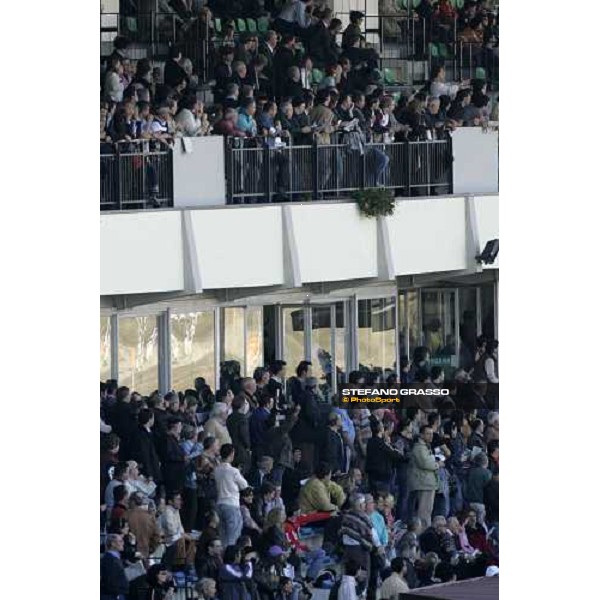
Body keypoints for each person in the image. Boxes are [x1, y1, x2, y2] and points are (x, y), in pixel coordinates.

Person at [214, 443, 249, 546]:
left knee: (223, 537)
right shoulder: (233, 471)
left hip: (220, 504)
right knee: (233, 537)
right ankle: (231, 559)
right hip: (231, 505)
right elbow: (244, 485)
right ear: (232, 454)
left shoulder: (217, 470)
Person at [407, 426, 440, 527]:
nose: (431, 436)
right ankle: (423, 534)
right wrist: (437, 464)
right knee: (424, 512)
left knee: (427, 511)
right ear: (421, 435)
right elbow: (425, 463)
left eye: (432, 434)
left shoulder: (425, 447)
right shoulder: (419, 447)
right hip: (424, 483)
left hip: (427, 483)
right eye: (428, 434)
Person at [340, 493, 375, 581]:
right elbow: (369, 534)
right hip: (360, 550)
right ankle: (360, 592)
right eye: (363, 503)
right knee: (362, 575)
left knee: (348, 575)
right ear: (359, 505)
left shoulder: (346, 516)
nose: (364, 505)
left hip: (347, 549)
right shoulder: (364, 517)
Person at [160, 490, 196, 571]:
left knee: (192, 540)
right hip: (166, 540)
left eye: (180, 499)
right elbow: (171, 531)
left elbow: (180, 528)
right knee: (183, 540)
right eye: (178, 499)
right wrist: (182, 535)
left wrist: (183, 534)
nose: (180, 502)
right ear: (170, 501)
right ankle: (179, 566)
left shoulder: (176, 510)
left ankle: (187, 566)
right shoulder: (167, 511)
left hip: (174, 537)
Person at [365, 419, 403, 494]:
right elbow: (394, 454)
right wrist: (389, 444)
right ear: (380, 429)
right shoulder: (382, 443)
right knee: (383, 498)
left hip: (372, 474)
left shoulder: (370, 441)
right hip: (382, 475)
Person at [126, 492, 161, 560]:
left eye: (129, 500)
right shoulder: (150, 516)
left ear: (133, 501)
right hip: (145, 552)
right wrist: (151, 549)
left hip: (129, 553)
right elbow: (157, 536)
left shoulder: (126, 515)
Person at [227, 394, 252, 475]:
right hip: (241, 450)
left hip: (231, 447)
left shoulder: (229, 417)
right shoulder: (242, 418)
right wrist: (248, 446)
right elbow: (244, 436)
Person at [464, 452, 492, 524]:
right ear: (486, 462)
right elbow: (490, 488)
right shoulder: (487, 473)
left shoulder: (470, 471)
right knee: (480, 526)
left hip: (468, 502)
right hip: (480, 502)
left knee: (470, 525)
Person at [101, 533, 130, 600]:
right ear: (113, 544)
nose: (123, 543)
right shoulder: (109, 559)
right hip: (112, 596)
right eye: (120, 541)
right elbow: (110, 580)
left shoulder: (116, 558)